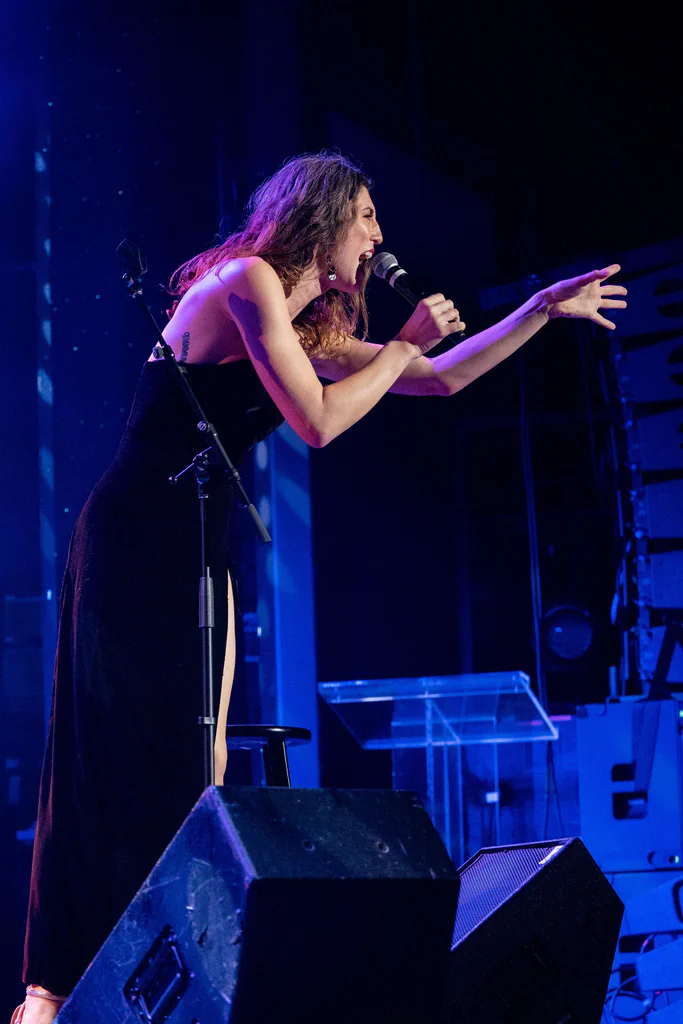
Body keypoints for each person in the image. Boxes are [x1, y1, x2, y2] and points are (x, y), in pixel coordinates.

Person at [15, 151, 626, 1023]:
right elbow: (321, 423)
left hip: (196, 540)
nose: (379, 236)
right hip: (137, 537)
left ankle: (159, 976)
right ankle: (57, 989)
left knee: (206, 760)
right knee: (124, 758)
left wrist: (539, 311)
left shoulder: (305, 324)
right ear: (327, 214)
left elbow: (441, 377)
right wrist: (405, 342)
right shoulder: (247, 280)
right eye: (368, 216)